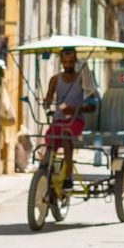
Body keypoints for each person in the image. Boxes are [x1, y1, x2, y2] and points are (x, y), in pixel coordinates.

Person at [43, 46, 98, 187]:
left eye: (70, 62)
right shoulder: (55, 80)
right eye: (65, 62)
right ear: (61, 61)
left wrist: (73, 110)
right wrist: (46, 103)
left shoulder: (82, 79)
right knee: (50, 138)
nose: (67, 65)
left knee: (66, 135)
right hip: (58, 121)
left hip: (76, 121)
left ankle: (68, 175)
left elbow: (92, 106)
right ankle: (44, 171)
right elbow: (48, 99)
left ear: (75, 61)